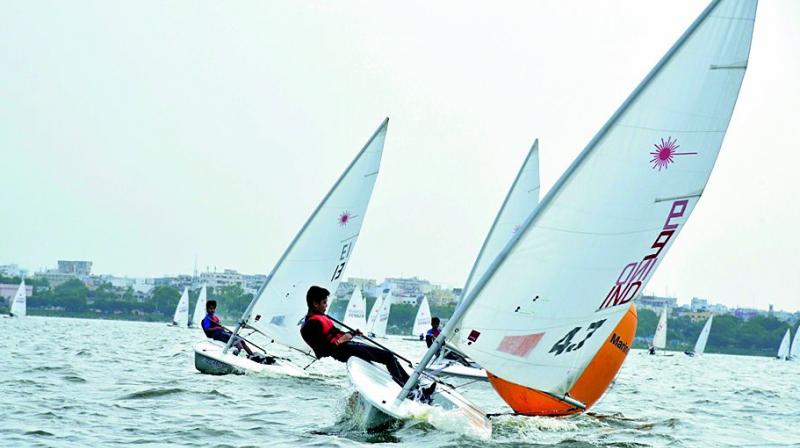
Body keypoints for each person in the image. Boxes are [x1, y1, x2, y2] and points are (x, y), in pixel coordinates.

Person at [300, 286, 435, 400]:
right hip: (343, 352)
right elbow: (322, 351)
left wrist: (352, 333)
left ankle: (414, 388)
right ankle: (409, 393)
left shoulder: (321, 318)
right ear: (315, 304)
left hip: (347, 347)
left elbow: (336, 333)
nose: (326, 305)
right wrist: (342, 340)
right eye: (324, 302)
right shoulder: (310, 325)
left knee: (390, 356)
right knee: (387, 357)